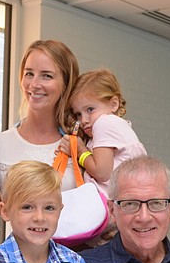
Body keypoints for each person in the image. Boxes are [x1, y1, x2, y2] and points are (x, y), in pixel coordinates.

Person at [0, 39, 80, 213]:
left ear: (66, 84)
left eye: (47, 75)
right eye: (29, 73)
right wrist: (16, 209)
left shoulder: (81, 144)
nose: (34, 84)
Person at [58, 67, 147, 198]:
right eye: (78, 114)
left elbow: (101, 173)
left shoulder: (103, 123)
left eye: (90, 109)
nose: (83, 120)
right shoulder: (115, 126)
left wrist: (80, 151)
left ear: (114, 104)